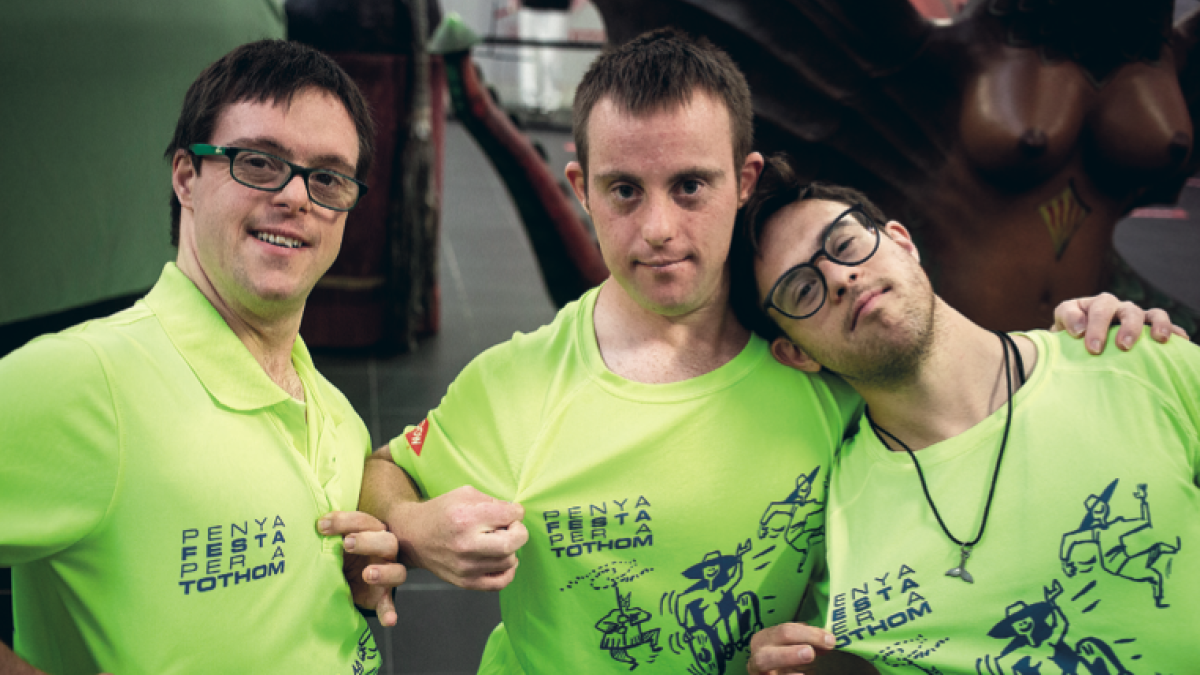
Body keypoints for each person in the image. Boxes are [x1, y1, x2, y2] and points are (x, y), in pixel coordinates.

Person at [348, 29, 1172, 675]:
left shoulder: (822, 365)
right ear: (581, 188)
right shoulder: (519, 381)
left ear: (743, 181)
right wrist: (416, 525)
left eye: (691, 186)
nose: (659, 228)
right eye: (624, 190)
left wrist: (1096, 342)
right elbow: (387, 469)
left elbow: (960, 388)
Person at [0, 40, 398, 674]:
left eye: (327, 177)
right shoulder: (89, 380)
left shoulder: (338, 416)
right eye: (259, 162)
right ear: (187, 177)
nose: (297, 197)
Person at [734, 155, 1198, 674]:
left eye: (844, 245)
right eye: (802, 290)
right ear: (796, 354)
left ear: (902, 242)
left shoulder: (1138, 360)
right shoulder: (830, 529)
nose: (842, 277)